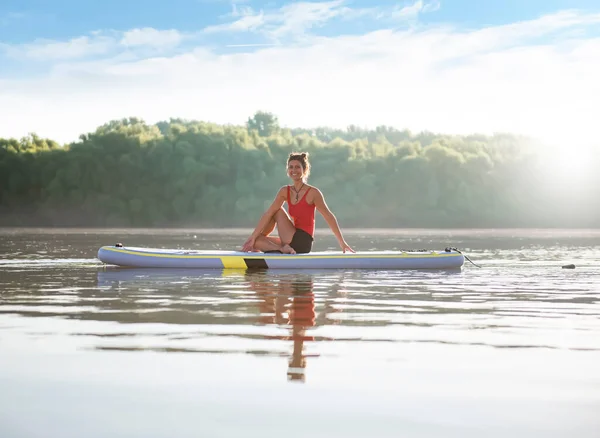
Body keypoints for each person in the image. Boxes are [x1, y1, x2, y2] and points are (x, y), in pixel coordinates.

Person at [241, 152, 354, 254]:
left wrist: (342, 242)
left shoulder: (313, 193)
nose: (294, 170)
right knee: (257, 241)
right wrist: (252, 237)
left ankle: (281, 248)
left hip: (303, 241)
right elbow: (267, 214)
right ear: (287, 170)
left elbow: (329, 216)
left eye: (297, 167)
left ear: (304, 170)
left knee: (278, 211)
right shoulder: (285, 191)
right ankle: (281, 249)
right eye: (291, 167)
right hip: (290, 238)